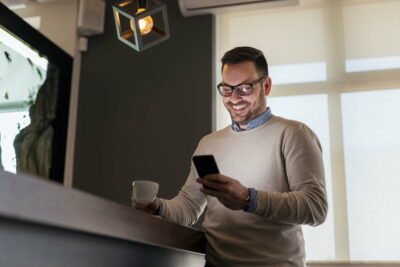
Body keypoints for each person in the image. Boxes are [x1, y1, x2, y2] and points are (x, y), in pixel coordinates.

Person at [133, 46, 328, 267]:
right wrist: (158, 207)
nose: (234, 98)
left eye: (244, 88)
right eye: (226, 89)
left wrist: (247, 198)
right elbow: (188, 207)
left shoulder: (293, 134)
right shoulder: (209, 143)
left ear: (267, 85)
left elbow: (316, 207)